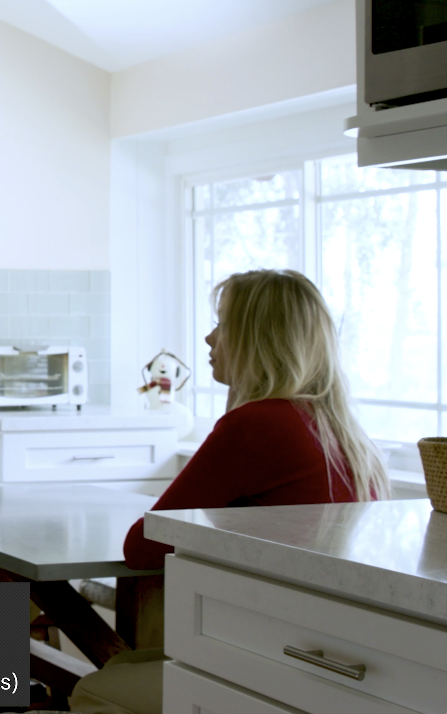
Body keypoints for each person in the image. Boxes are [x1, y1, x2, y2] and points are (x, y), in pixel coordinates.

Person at [68, 269, 389, 714]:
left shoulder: (260, 425)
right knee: (123, 664)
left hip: (274, 659)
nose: (208, 338)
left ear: (258, 339)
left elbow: (142, 547)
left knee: (95, 685)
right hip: (333, 656)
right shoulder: (339, 430)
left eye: (222, 323)